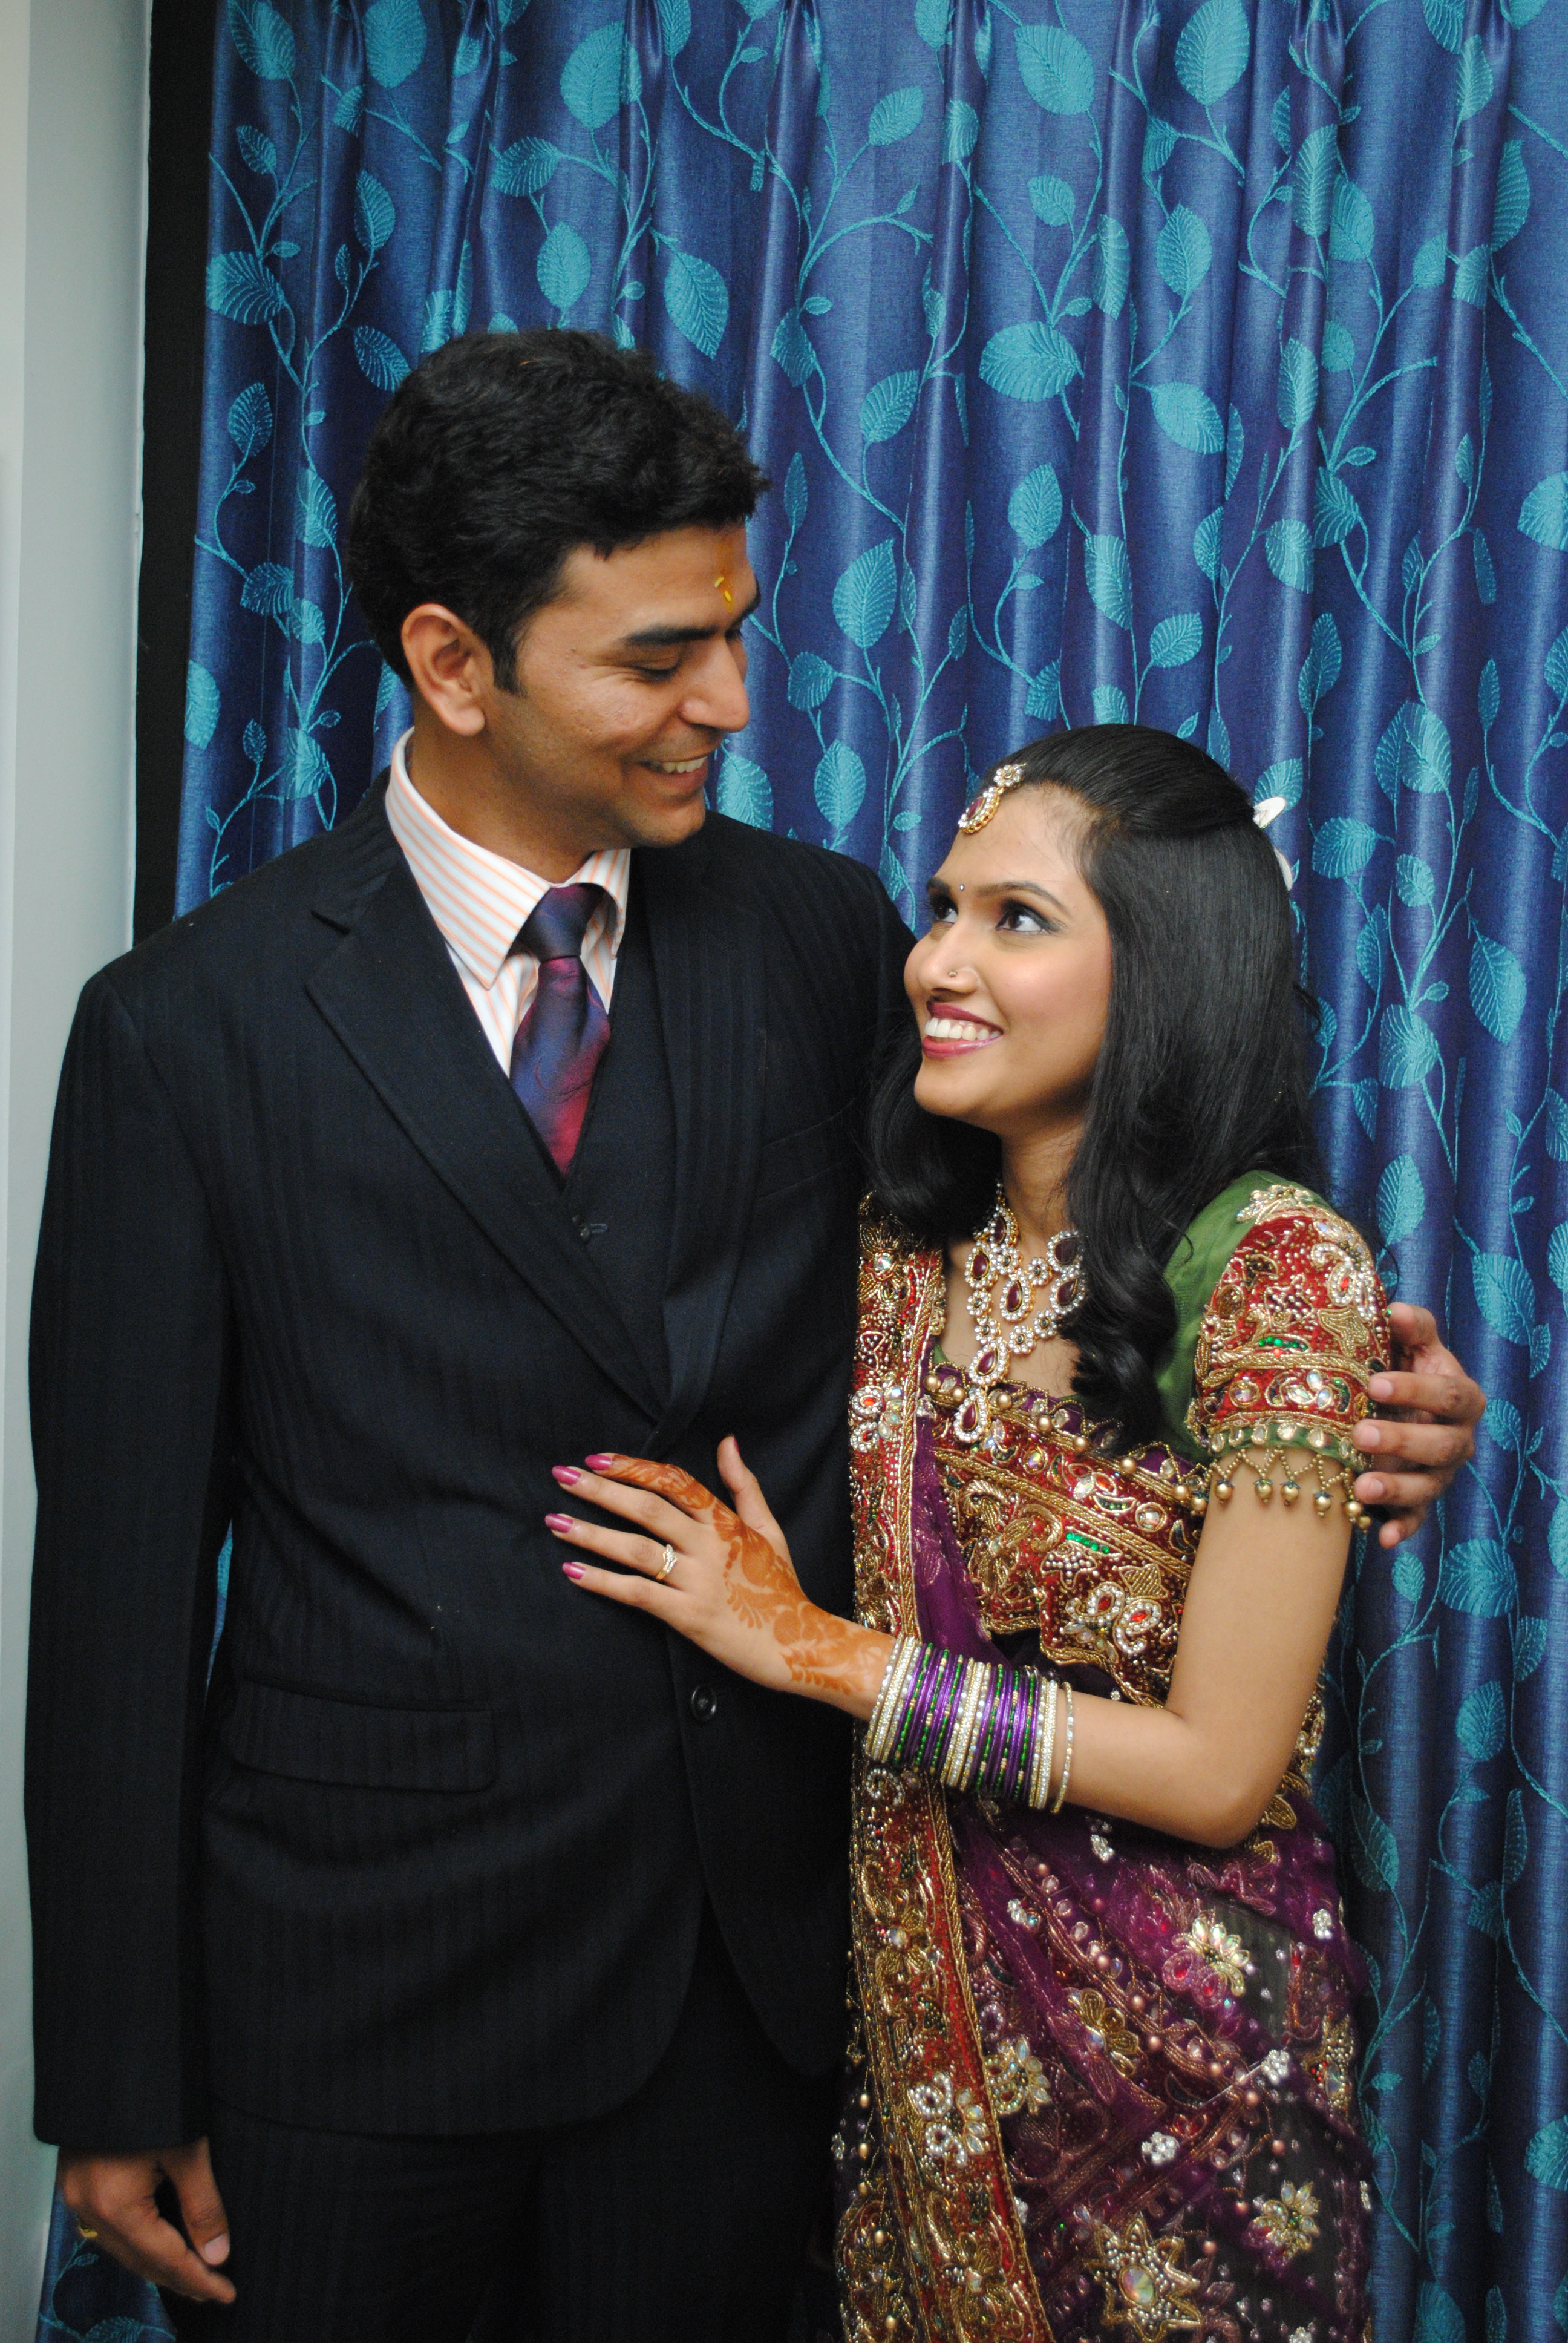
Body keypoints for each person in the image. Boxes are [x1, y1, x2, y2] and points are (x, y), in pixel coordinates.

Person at [25, 333, 1474, 2340]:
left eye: (736, 632)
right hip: (352, 2002)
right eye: (657, 657)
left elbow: (1062, 1243)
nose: (725, 699)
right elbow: (111, 1591)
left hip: (745, 1993)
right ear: (454, 663)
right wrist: (114, 2068)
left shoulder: (819, 936)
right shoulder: (187, 1030)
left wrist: (1352, 1397)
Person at [547, 726, 1435, 2342]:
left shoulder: (1273, 1270)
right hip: (911, 2060)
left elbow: (1222, 1770)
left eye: (1017, 920)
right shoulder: (901, 1245)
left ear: (1164, 969)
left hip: (1182, 2084)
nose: (939, 963)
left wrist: (815, 1653)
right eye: (945, 908)